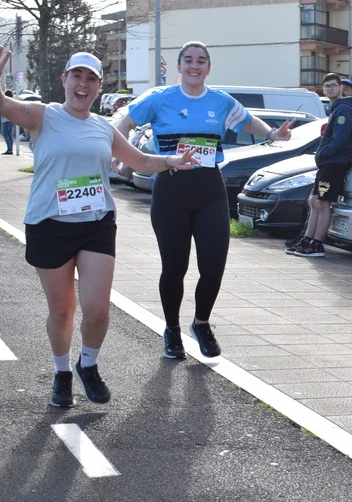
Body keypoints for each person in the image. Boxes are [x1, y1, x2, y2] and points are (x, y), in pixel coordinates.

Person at [0, 47, 199, 408]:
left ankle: (89, 364)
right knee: (62, 311)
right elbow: (0, 104)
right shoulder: (43, 115)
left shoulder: (103, 127)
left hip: (96, 222)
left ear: (99, 87)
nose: (82, 84)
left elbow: (141, 160)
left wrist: (172, 161)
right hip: (49, 224)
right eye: (77, 76)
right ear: (65, 80)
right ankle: (62, 373)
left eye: (91, 79)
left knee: (97, 309)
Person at [114, 41, 293, 360]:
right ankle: (171, 330)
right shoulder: (159, 98)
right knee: (175, 267)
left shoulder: (220, 101)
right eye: (188, 60)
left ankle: (201, 323)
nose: (194, 66)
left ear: (209, 67)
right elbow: (125, 122)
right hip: (171, 190)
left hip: (210, 190)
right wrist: (121, 152)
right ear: (179, 66)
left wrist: (272, 134)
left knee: (213, 265)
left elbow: (248, 120)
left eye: (200, 61)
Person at [287, 73, 352, 258]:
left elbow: (340, 139)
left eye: (333, 85)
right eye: (327, 86)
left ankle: (317, 244)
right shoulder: (337, 108)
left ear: (340, 88)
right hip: (328, 163)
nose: (330, 89)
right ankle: (307, 240)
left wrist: (322, 153)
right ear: (323, 89)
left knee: (323, 202)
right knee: (315, 201)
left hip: (334, 163)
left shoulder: (343, 109)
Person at [1, 89, 16, 154]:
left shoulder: (7, 101)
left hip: (6, 120)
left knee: (5, 134)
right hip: (11, 120)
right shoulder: (13, 101)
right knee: (9, 135)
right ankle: (10, 149)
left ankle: (9, 149)